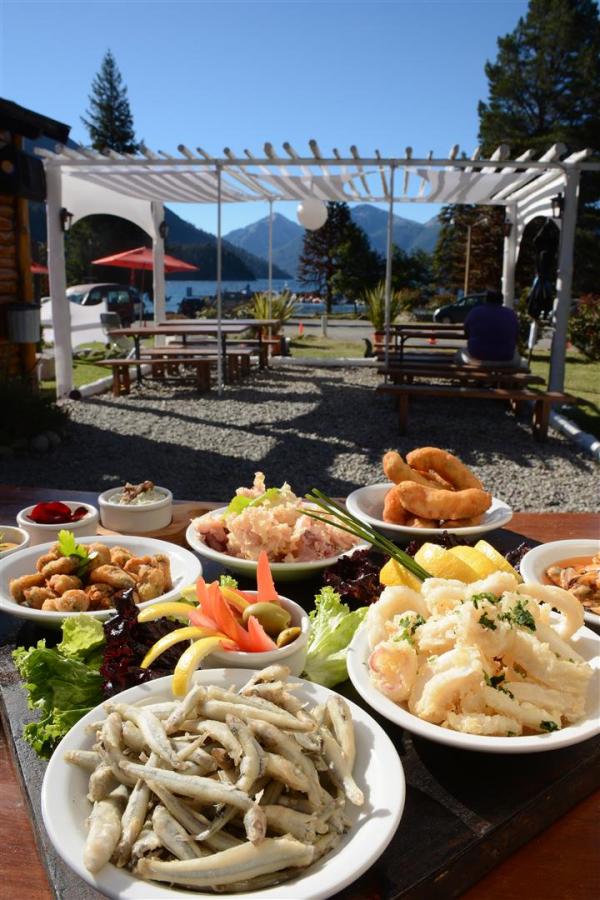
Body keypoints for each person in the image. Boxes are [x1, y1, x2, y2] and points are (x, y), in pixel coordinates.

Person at [458, 289, 522, 367]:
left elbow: (467, 333)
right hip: (505, 358)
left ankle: (468, 378)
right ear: (501, 301)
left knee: (459, 354)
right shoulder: (511, 314)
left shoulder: (475, 312)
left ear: (486, 300)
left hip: (477, 357)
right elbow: (516, 335)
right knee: (517, 357)